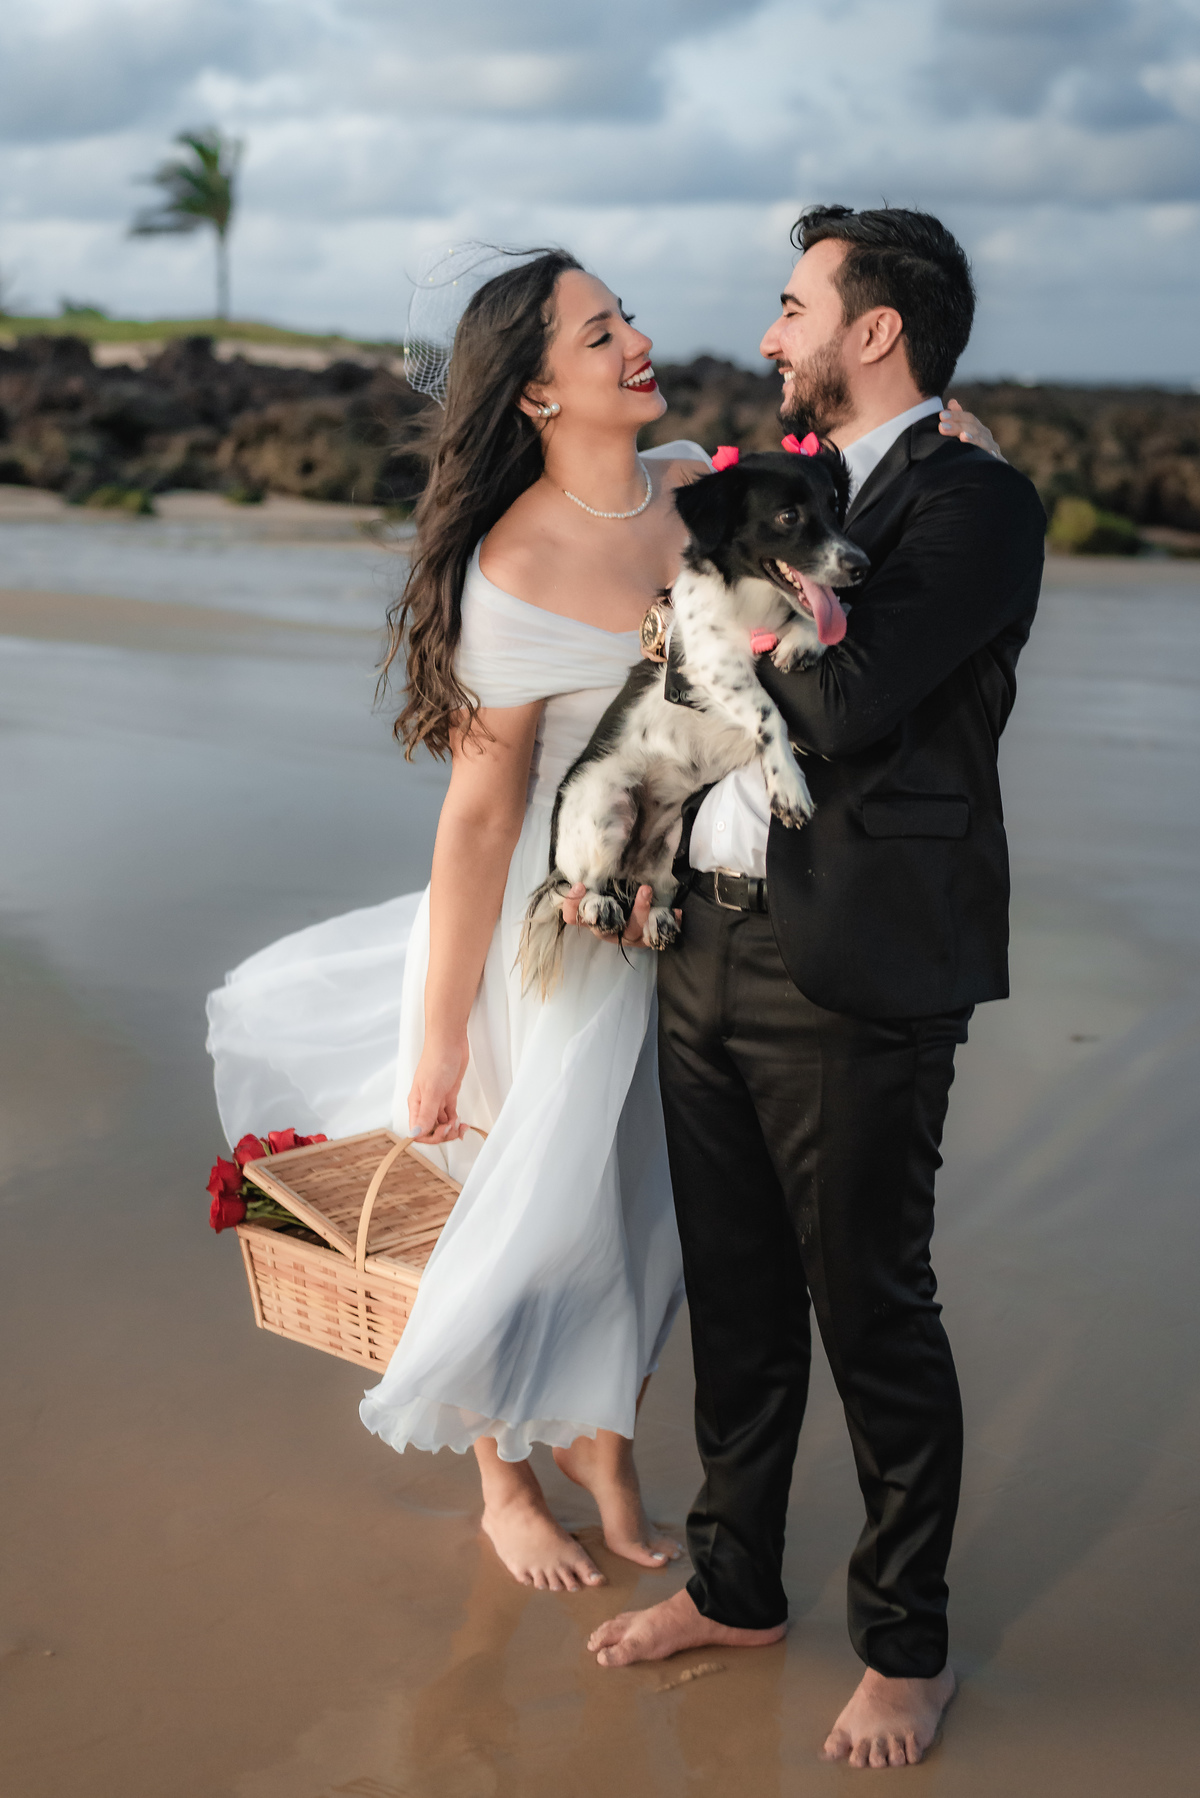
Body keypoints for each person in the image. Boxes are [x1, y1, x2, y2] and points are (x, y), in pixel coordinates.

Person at [205, 240, 1001, 1604]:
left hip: (678, 907)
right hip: (552, 921)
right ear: (534, 393)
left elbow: (834, 492)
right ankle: (507, 1484)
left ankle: (602, 1444)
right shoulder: (513, 562)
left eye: (624, 314)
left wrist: (954, 444)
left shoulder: (693, 482)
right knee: (526, 1198)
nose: (635, 340)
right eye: (596, 334)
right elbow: (477, 818)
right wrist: (442, 1030)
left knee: (641, 1207)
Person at [580, 206, 1046, 1773]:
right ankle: (736, 1587)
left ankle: (907, 1646)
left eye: (794, 306)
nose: (771, 334)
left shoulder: (975, 501)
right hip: (701, 943)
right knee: (737, 1299)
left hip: (854, 964)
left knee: (872, 1309)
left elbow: (846, 701)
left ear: (875, 330)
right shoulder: (796, 491)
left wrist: (715, 596)